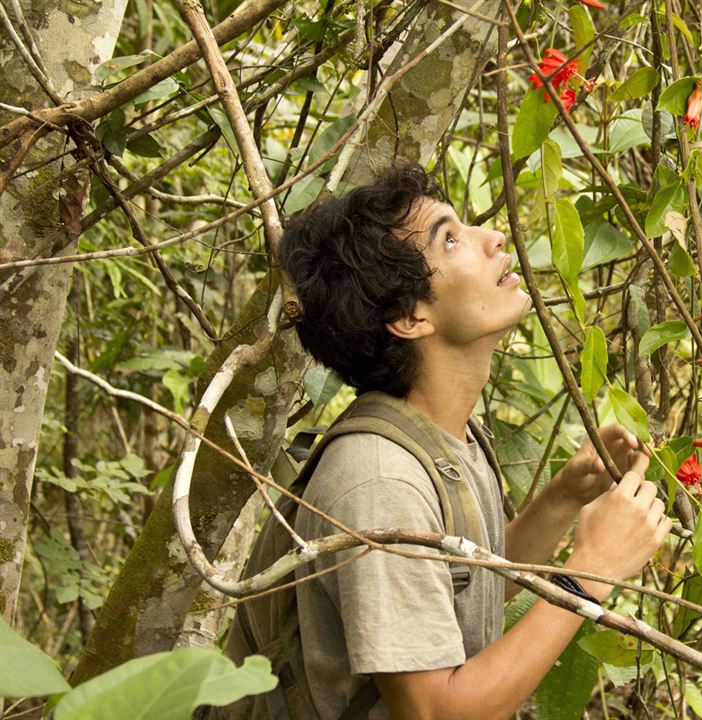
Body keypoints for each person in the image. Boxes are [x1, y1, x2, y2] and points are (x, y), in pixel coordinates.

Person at [237, 161, 671, 720]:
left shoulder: (437, 437)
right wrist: (593, 571)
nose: (493, 239)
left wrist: (564, 496)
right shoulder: (379, 480)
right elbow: (435, 712)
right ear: (408, 316)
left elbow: (461, 590)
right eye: (451, 238)